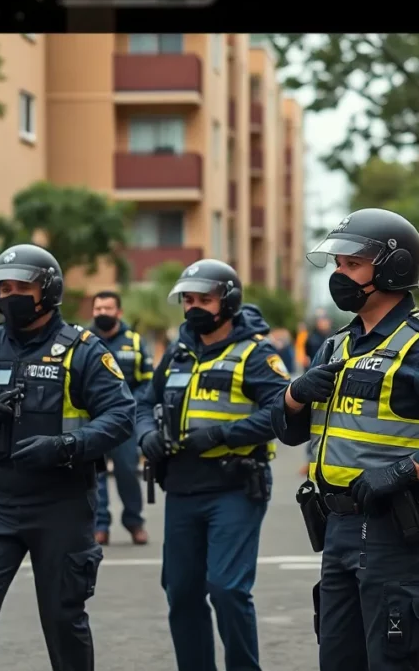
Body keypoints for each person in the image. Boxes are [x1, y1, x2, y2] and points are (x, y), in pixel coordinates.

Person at [269, 208, 419, 671]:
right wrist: (296, 394)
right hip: (337, 523)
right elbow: (290, 432)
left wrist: (403, 470)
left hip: (401, 521)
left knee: (389, 661)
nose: (339, 275)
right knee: (338, 659)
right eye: (337, 265)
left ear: (393, 269)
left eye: (351, 265)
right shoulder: (335, 345)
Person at [0, 244, 136, 671]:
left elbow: (121, 415)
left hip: (62, 505)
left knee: (63, 620)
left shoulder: (83, 350)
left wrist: (65, 446)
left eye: (22, 286)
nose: (10, 295)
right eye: (3, 287)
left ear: (48, 291)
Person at [135, 259, 291, 671]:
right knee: (182, 592)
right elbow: (143, 403)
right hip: (183, 488)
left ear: (229, 301)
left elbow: (284, 413)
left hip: (236, 486)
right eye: (188, 300)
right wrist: (145, 434)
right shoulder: (178, 351)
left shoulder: (257, 354)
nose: (194, 307)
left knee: (226, 588)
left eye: (205, 299)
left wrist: (225, 435)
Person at [89, 290, 153, 546]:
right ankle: (99, 526)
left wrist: (128, 405)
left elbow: (148, 382)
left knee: (127, 471)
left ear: (119, 312)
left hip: (124, 421)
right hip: (90, 420)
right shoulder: (83, 340)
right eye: (98, 309)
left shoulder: (135, 342)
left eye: (107, 308)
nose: (102, 313)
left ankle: (134, 523)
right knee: (94, 474)